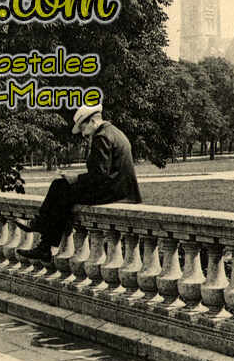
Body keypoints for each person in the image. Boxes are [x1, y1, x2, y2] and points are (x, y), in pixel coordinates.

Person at [17, 104, 142, 260]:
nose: (83, 134)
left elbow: (100, 175)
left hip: (113, 192)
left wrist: (76, 178)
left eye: (82, 128)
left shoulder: (101, 137)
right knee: (63, 192)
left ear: (92, 121)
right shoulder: (114, 132)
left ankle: (41, 229)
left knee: (60, 187)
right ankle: (44, 243)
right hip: (121, 190)